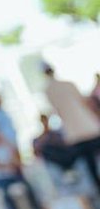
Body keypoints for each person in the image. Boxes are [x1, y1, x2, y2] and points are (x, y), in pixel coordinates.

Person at [42, 63, 100, 193]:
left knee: (90, 165)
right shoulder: (67, 84)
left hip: (75, 133)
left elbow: (56, 111)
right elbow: (84, 103)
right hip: (88, 127)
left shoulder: (48, 91)